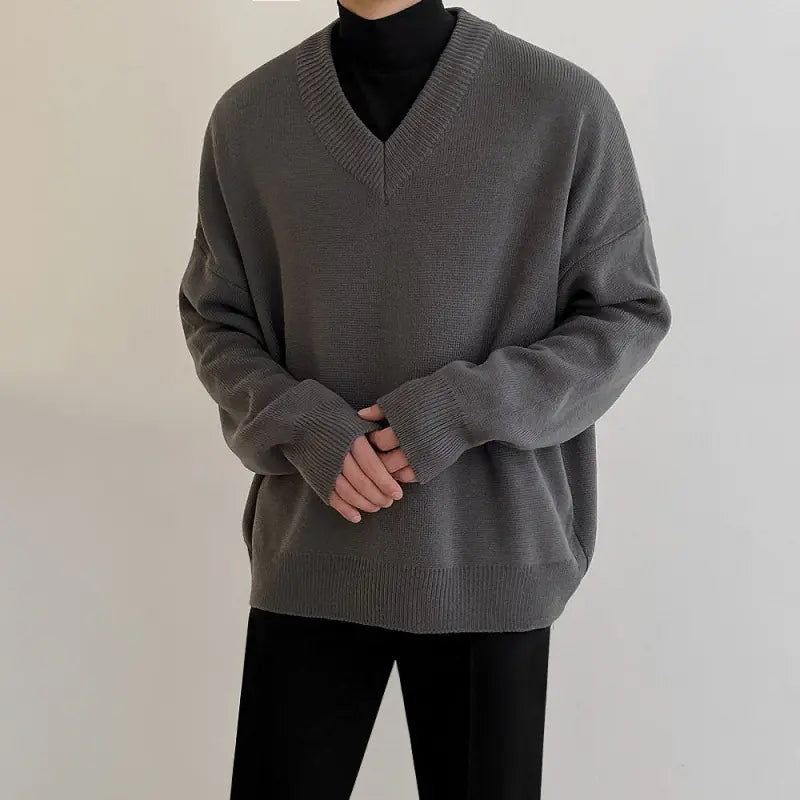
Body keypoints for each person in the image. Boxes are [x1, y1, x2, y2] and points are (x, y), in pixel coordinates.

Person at [177, 1, 672, 797]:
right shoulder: (250, 121)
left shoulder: (561, 107)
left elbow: (625, 313)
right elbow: (217, 318)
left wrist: (457, 410)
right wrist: (306, 426)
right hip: (313, 557)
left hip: (489, 559)